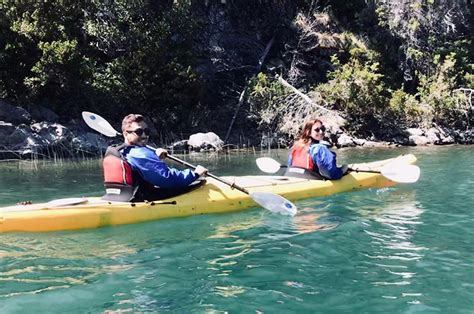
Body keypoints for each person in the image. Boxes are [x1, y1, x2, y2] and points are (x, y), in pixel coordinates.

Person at [102, 113, 207, 201]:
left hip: (115, 198)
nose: (144, 135)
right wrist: (194, 174)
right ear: (125, 134)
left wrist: (156, 157)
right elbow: (168, 178)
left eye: (146, 131)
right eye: (138, 132)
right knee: (195, 182)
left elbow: (138, 167)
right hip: (140, 199)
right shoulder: (142, 154)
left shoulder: (118, 150)